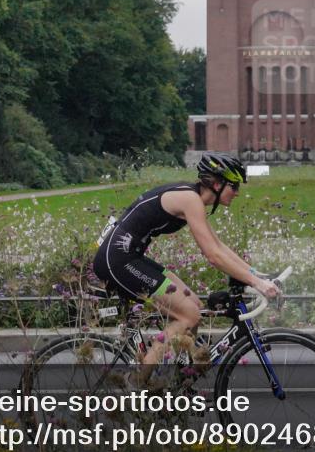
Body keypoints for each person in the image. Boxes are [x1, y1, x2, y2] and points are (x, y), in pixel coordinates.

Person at [92, 152, 280, 368]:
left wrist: (258, 276)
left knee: (194, 305)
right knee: (188, 316)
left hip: (129, 256)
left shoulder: (193, 199)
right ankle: (139, 382)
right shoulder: (190, 200)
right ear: (217, 184)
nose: (237, 193)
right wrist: (257, 284)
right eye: (234, 186)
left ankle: (182, 378)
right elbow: (213, 255)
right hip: (117, 260)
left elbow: (219, 246)